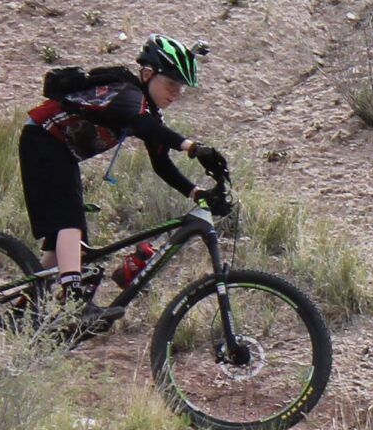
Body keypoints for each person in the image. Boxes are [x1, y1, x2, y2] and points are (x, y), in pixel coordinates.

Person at [19, 34, 228, 311]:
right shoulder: (126, 92)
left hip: (59, 151)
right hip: (42, 139)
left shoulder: (147, 111)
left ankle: (21, 306)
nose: (176, 92)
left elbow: (161, 162)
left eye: (181, 87)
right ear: (147, 73)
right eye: (170, 83)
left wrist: (196, 192)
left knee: (65, 245)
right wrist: (192, 147)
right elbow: (141, 125)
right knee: (70, 222)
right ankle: (74, 296)